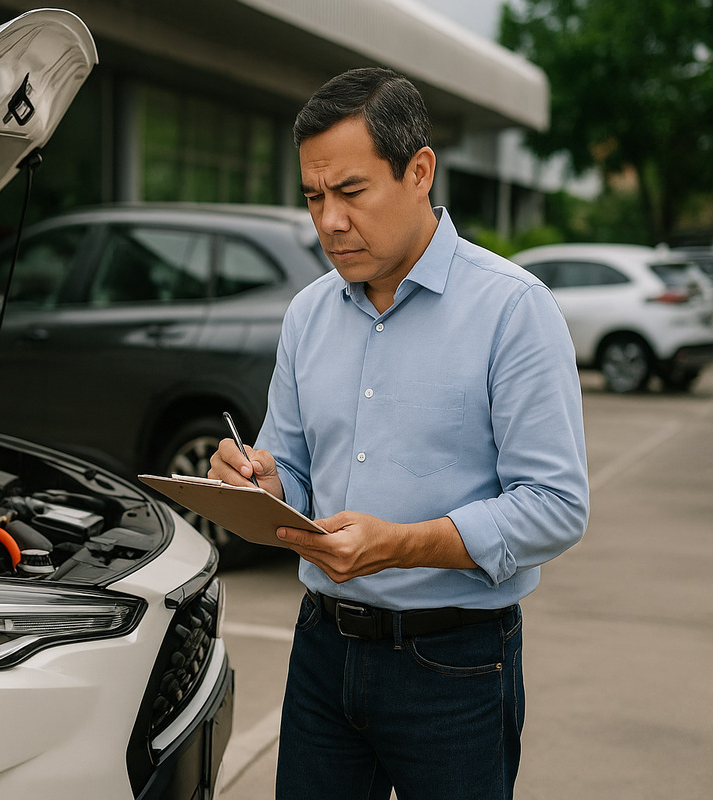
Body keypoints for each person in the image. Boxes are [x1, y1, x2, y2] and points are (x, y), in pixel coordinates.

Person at [207, 67, 589, 799]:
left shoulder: (513, 311)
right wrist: (259, 481)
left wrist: (402, 544)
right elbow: (291, 469)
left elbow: (555, 504)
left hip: (456, 667)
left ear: (419, 172)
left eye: (350, 192)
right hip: (321, 649)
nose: (328, 221)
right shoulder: (307, 315)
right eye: (314, 198)